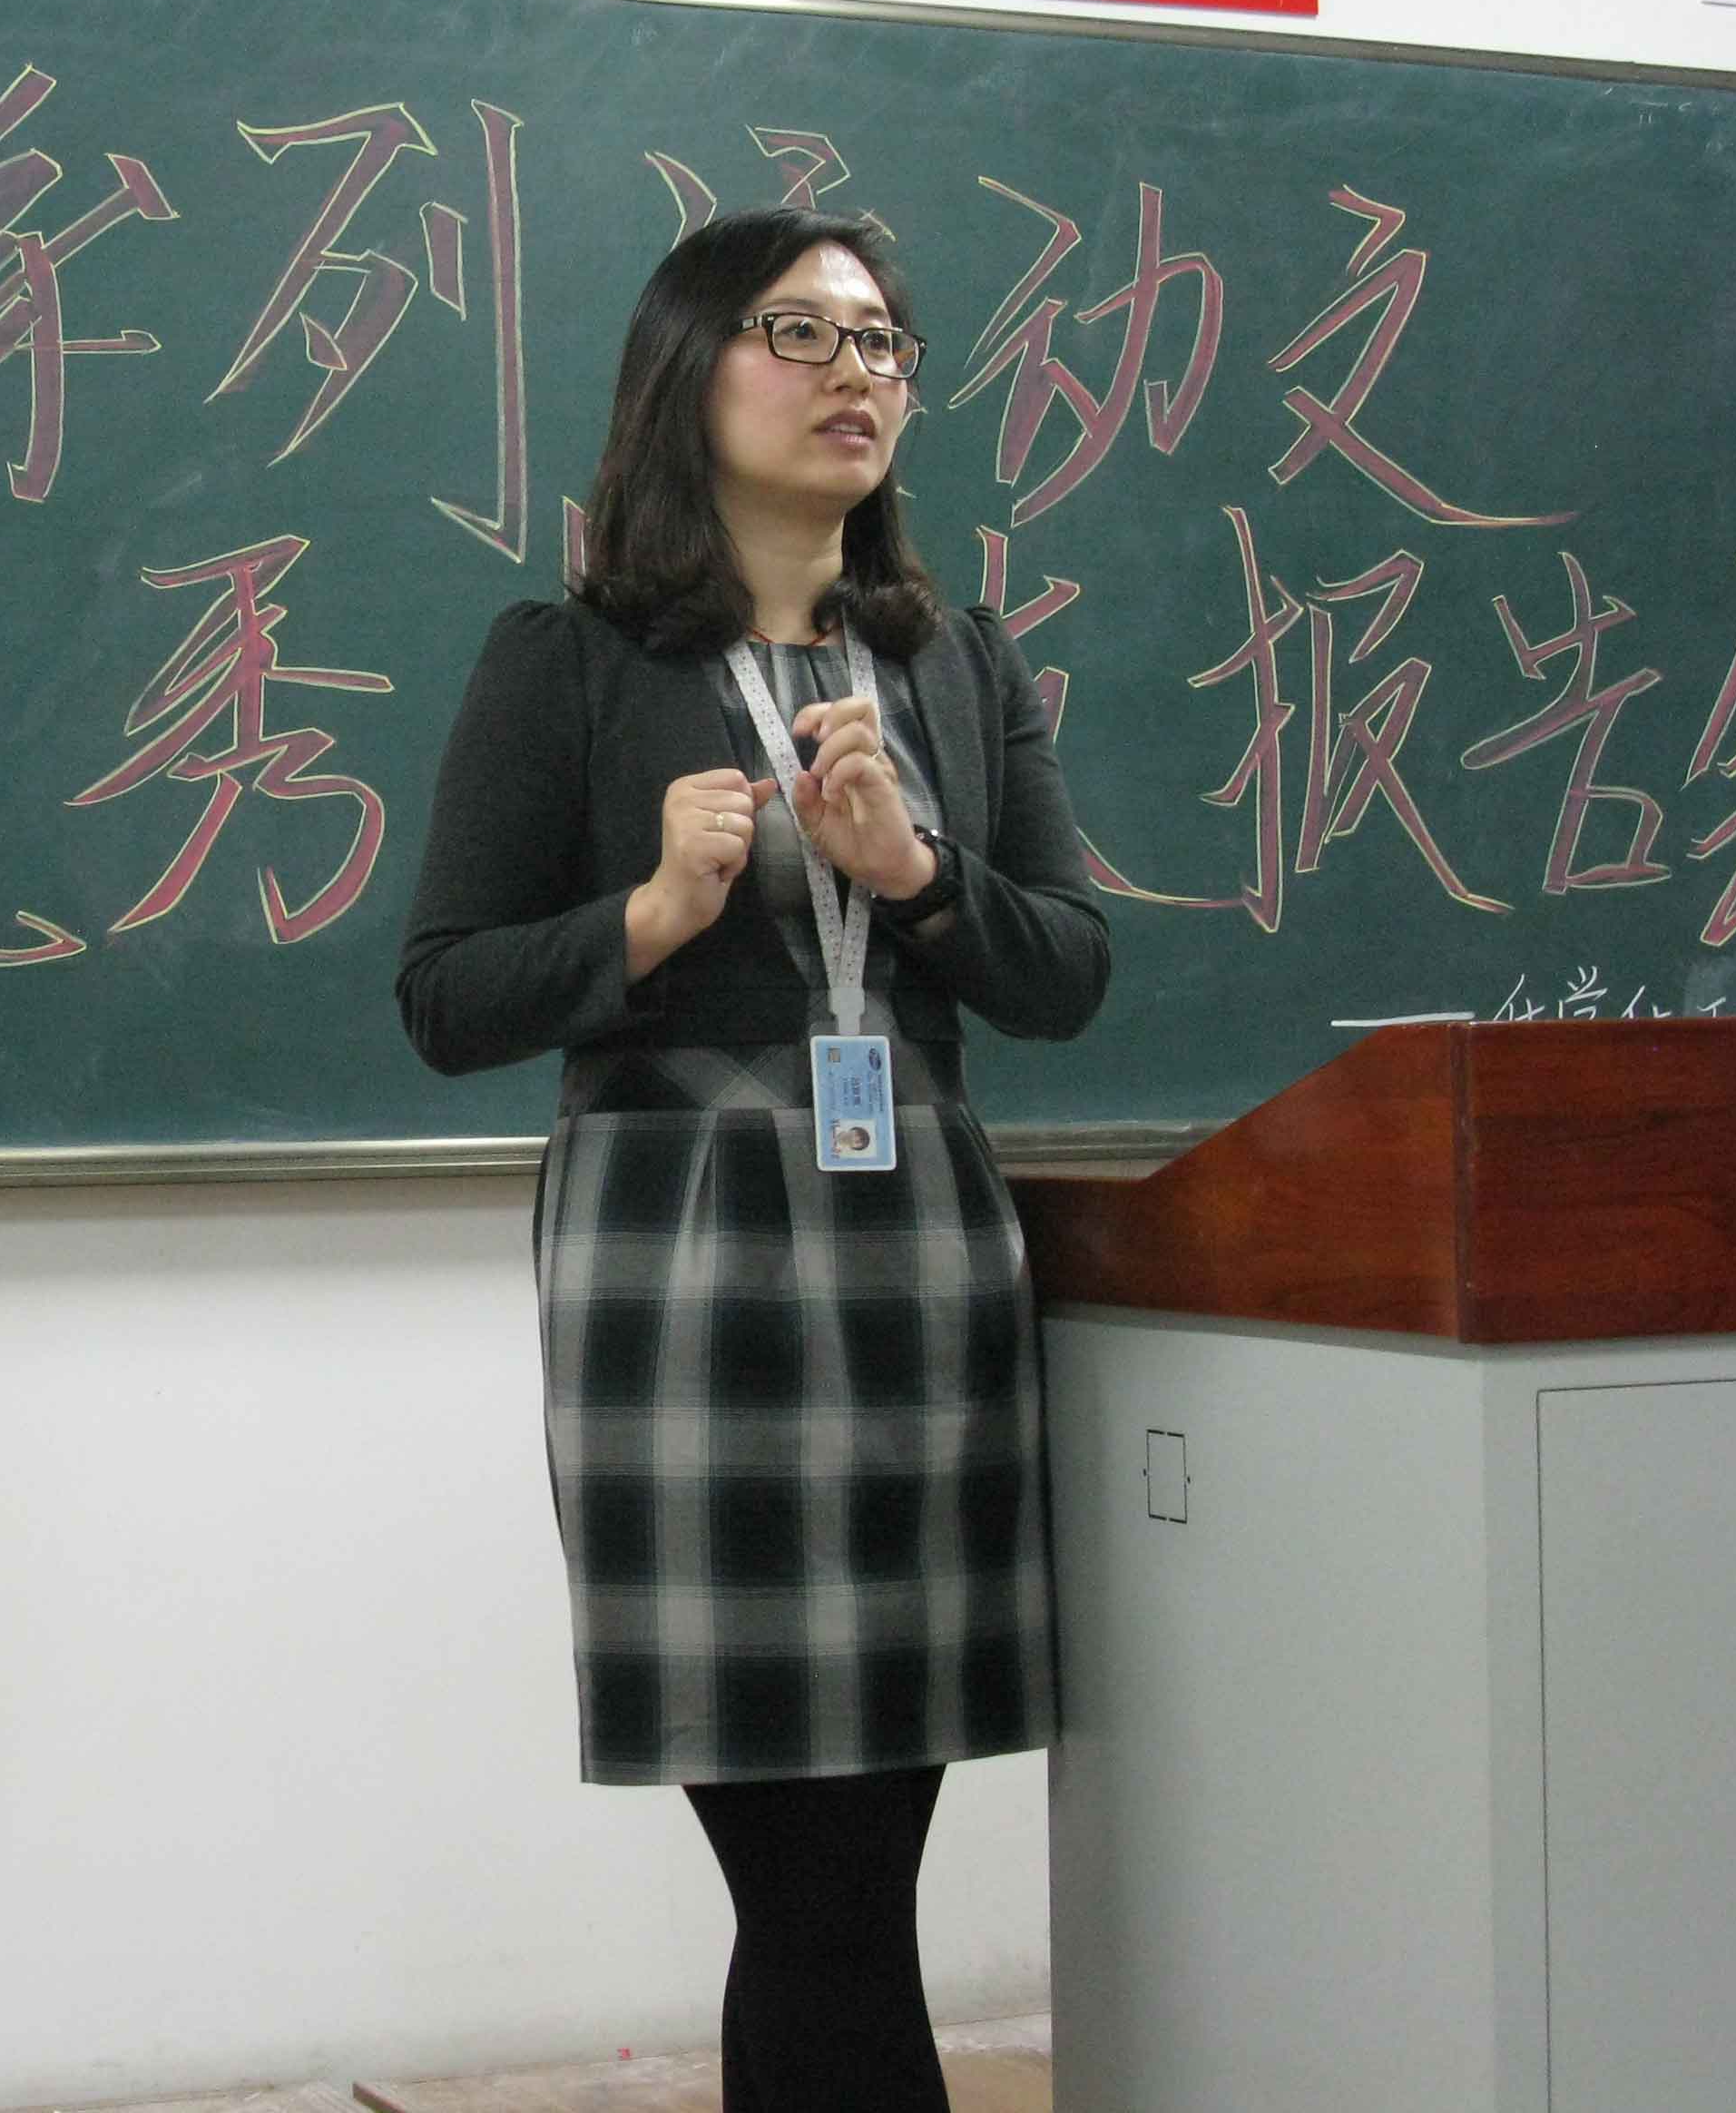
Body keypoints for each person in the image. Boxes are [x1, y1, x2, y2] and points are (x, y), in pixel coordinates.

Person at [397, 208, 1111, 2111]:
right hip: (689, 1260)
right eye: (797, 333)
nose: (851, 372)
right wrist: (645, 916)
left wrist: (917, 877)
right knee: (815, 1893)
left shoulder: (954, 663)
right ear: (683, 371)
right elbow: (447, 995)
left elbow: (1067, 972)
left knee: (855, 1882)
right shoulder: (566, 662)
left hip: (920, 1263)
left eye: (880, 341)